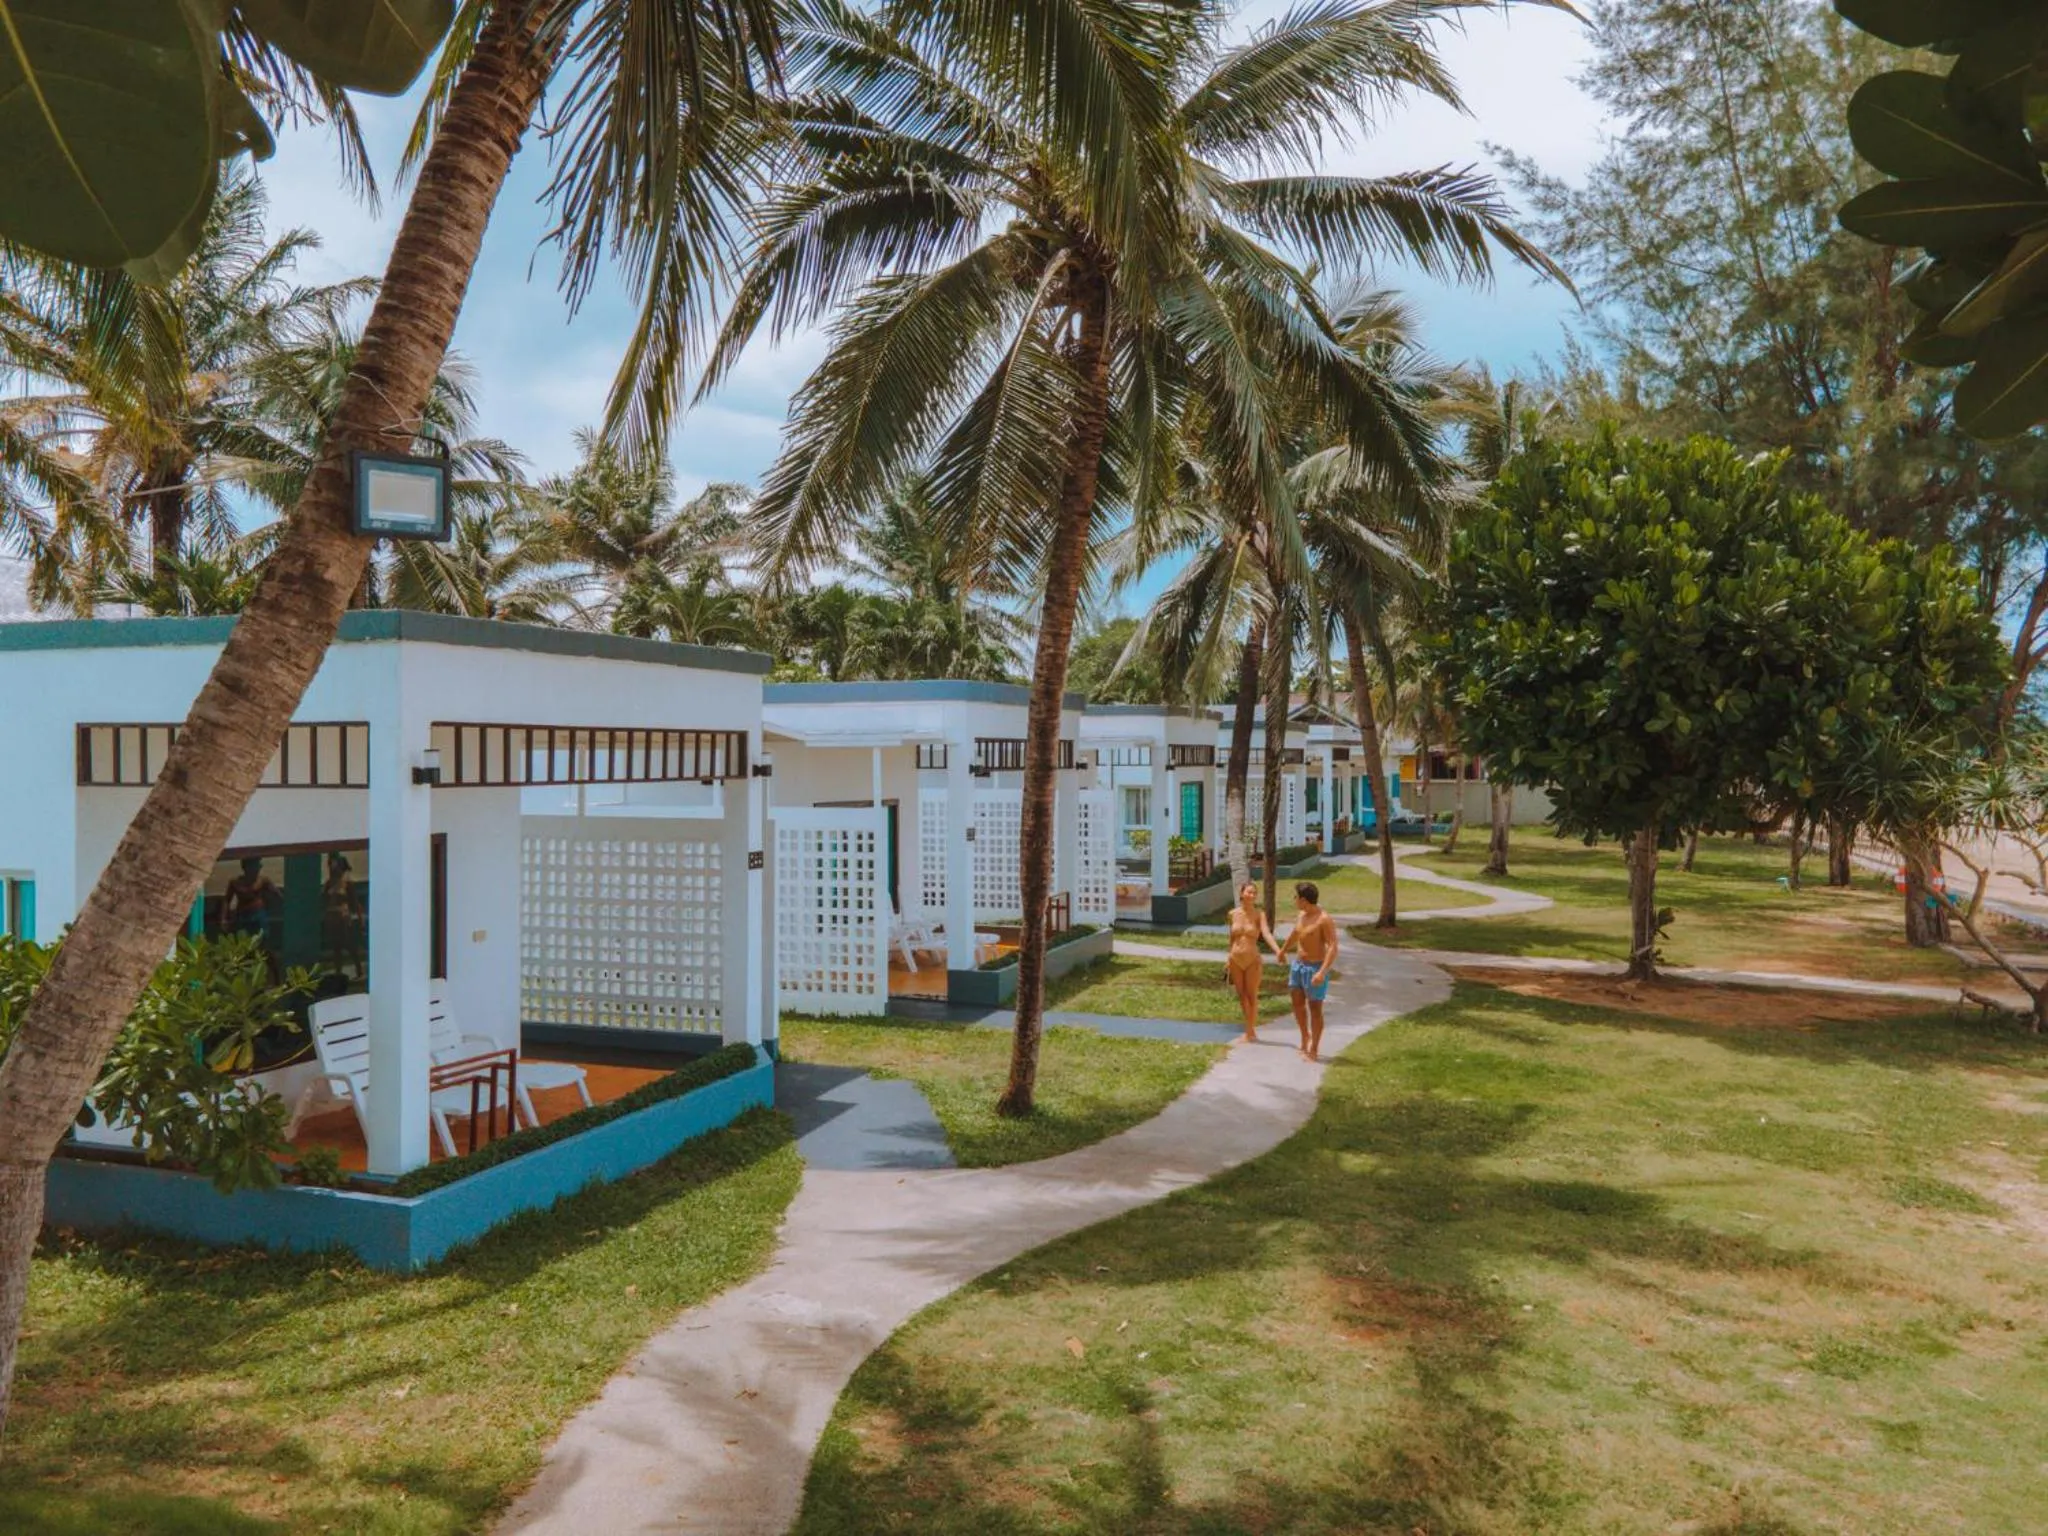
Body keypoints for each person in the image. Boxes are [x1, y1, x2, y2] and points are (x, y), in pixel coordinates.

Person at [1279, 880, 1339, 1062]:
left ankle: (1314, 1048)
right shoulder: (1301, 915)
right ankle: (1305, 1036)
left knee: (1314, 1008)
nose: (1294, 899)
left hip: (1315, 967)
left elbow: (1333, 946)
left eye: (1296, 897)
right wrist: (1283, 950)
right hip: (1298, 966)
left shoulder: (1324, 919)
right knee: (1297, 1004)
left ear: (1304, 900)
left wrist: (1322, 972)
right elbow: (1295, 934)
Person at [1224, 882, 1282, 1044]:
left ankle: (1250, 1031)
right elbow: (1232, 938)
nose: (1252, 895)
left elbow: (1266, 934)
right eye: (1249, 892)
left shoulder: (1259, 914)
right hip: (1235, 958)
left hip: (1252, 959)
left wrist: (1278, 950)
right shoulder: (1232, 914)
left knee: (1252, 995)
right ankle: (1248, 1029)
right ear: (1241, 894)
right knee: (1241, 995)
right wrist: (1229, 957)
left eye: (1254, 893)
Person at [222, 857, 279, 938]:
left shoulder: (263, 880)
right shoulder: (235, 882)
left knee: (262, 937)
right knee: (242, 940)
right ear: (247, 867)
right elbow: (227, 900)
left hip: (258, 915)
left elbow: (277, 895)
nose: (259, 868)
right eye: (256, 865)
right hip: (242, 915)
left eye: (259, 865)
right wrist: (223, 919)